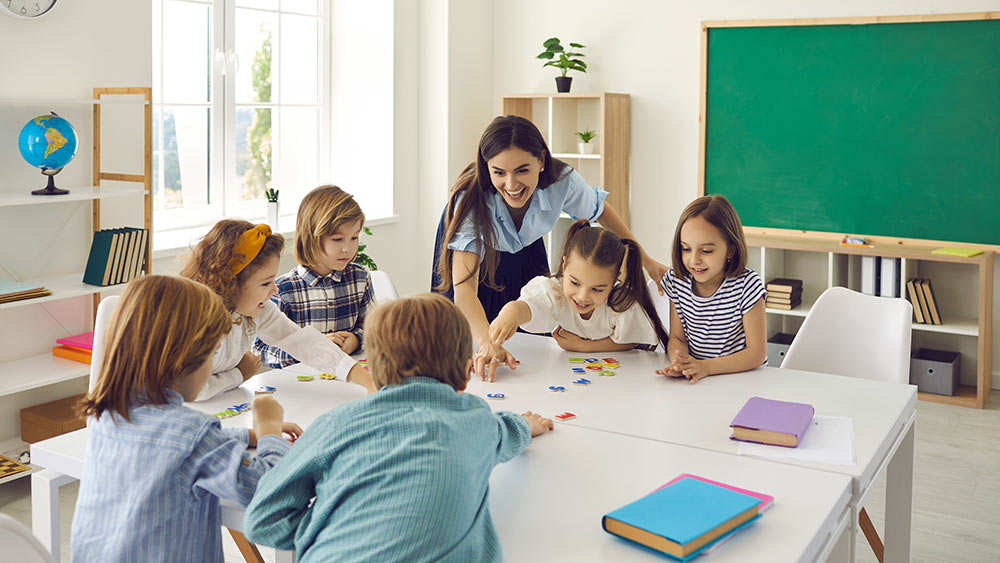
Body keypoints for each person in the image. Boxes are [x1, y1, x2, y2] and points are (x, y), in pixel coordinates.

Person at [243, 293, 553, 562]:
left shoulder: (336, 423)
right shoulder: (477, 420)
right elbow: (507, 432)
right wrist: (525, 425)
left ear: (373, 373)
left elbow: (264, 520)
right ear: (464, 373)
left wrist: (341, 528)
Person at [70, 275, 301, 562]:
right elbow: (269, 489)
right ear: (184, 358)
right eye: (212, 353)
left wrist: (245, 435)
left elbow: (169, 447)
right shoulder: (194, 435)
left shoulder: (108, 415)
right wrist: (268, 429)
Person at [432, 115, 667, 381]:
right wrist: (486, 342)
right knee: (470, 340)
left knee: (531, 330)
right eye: (499, 172)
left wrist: (646, 260)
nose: (511, 185)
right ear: (487, 167)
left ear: (541, 161)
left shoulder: (562, 180)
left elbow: (599, 210)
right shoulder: (471, 201)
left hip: (527, 246)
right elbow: (464, 290)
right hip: (477, 260)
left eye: (522, 170)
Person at [180, 220, 373, 400]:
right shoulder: (196, 321)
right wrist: (239, 373)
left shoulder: (257, 310)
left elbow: (306, 343)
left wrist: (368, 382)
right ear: (229, 284)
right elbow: (191, 391)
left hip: (222, 404)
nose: (275, 289)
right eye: (265, 283)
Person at [489, 219, 668, 353]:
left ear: (614, 281)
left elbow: (630, 341)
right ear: (564, 266)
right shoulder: (555, 291)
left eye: (597, 289)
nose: (582, 296)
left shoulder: (621, 301)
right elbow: (527, 307)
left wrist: (584, 346)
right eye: (575, 282)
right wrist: (511, 312)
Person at [254, 185, 374, 367]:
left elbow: (374, 330)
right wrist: (309, 350)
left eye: (354, 238)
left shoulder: (360, 278)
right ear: (311, 237)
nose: (347, 248)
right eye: (337, 239)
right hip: (302, 386)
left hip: (349, 379)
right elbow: (260, 351)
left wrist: (356, 340)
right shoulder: (283, 290)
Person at [655, 195, 767, 383]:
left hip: (742, 380)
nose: (694, 260)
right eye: (686, 249)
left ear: (731, 250)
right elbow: (677, 338)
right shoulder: (677, 281)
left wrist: (706, 367)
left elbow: (756, 353)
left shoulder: (748, 286)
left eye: (706, 251)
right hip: (699, 380)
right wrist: (680, 362)